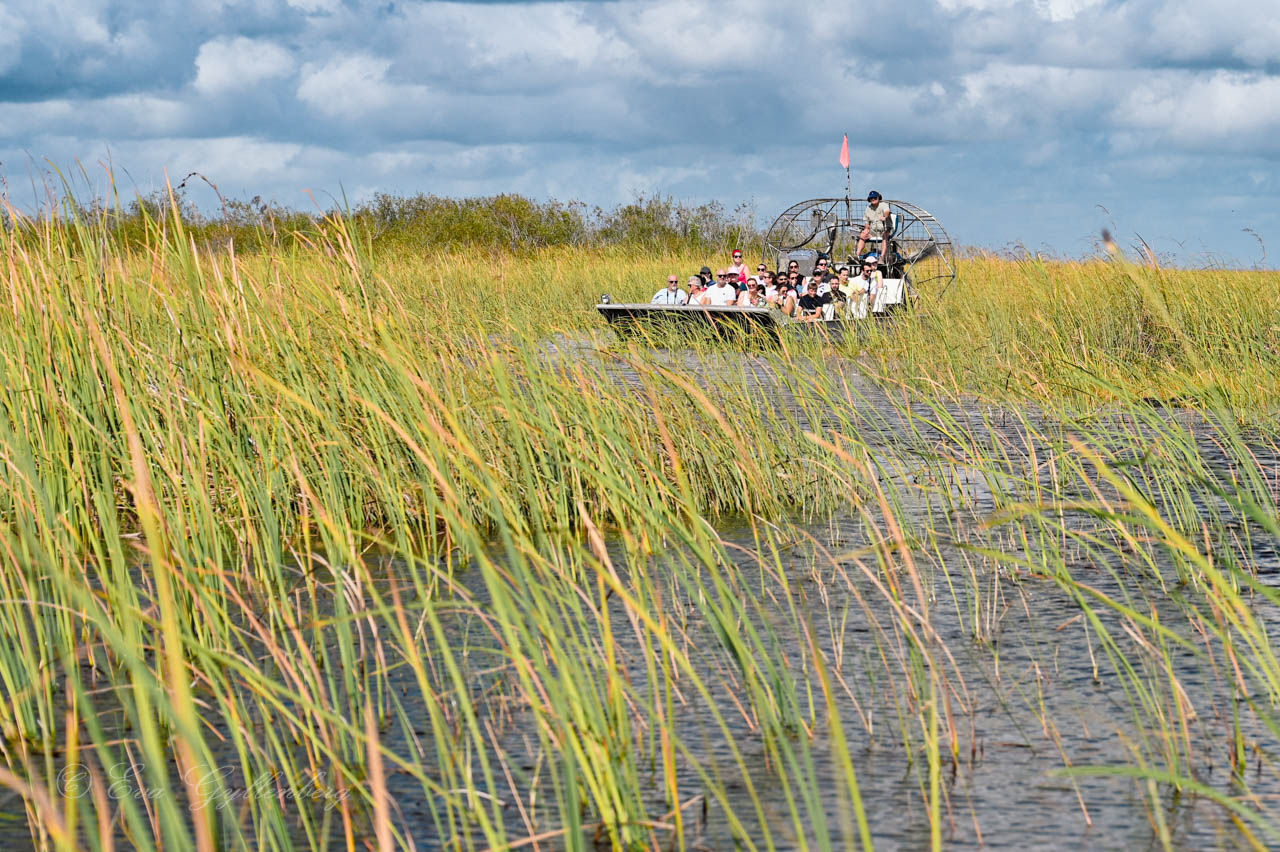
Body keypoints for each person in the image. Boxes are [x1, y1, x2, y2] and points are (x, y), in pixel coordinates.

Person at [857, 191, 891, 259]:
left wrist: (885, 217)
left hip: (884, 230)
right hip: (873, 231)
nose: (873, 199)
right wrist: (866, 230)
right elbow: (867, 223)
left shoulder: (883, 205)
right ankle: (857, 256)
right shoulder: (868, 208)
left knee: (885, 235)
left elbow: (887, 211)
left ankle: (882, 257)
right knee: (863, 234)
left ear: (878, 198)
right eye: (871, 198)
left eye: (875, 198)